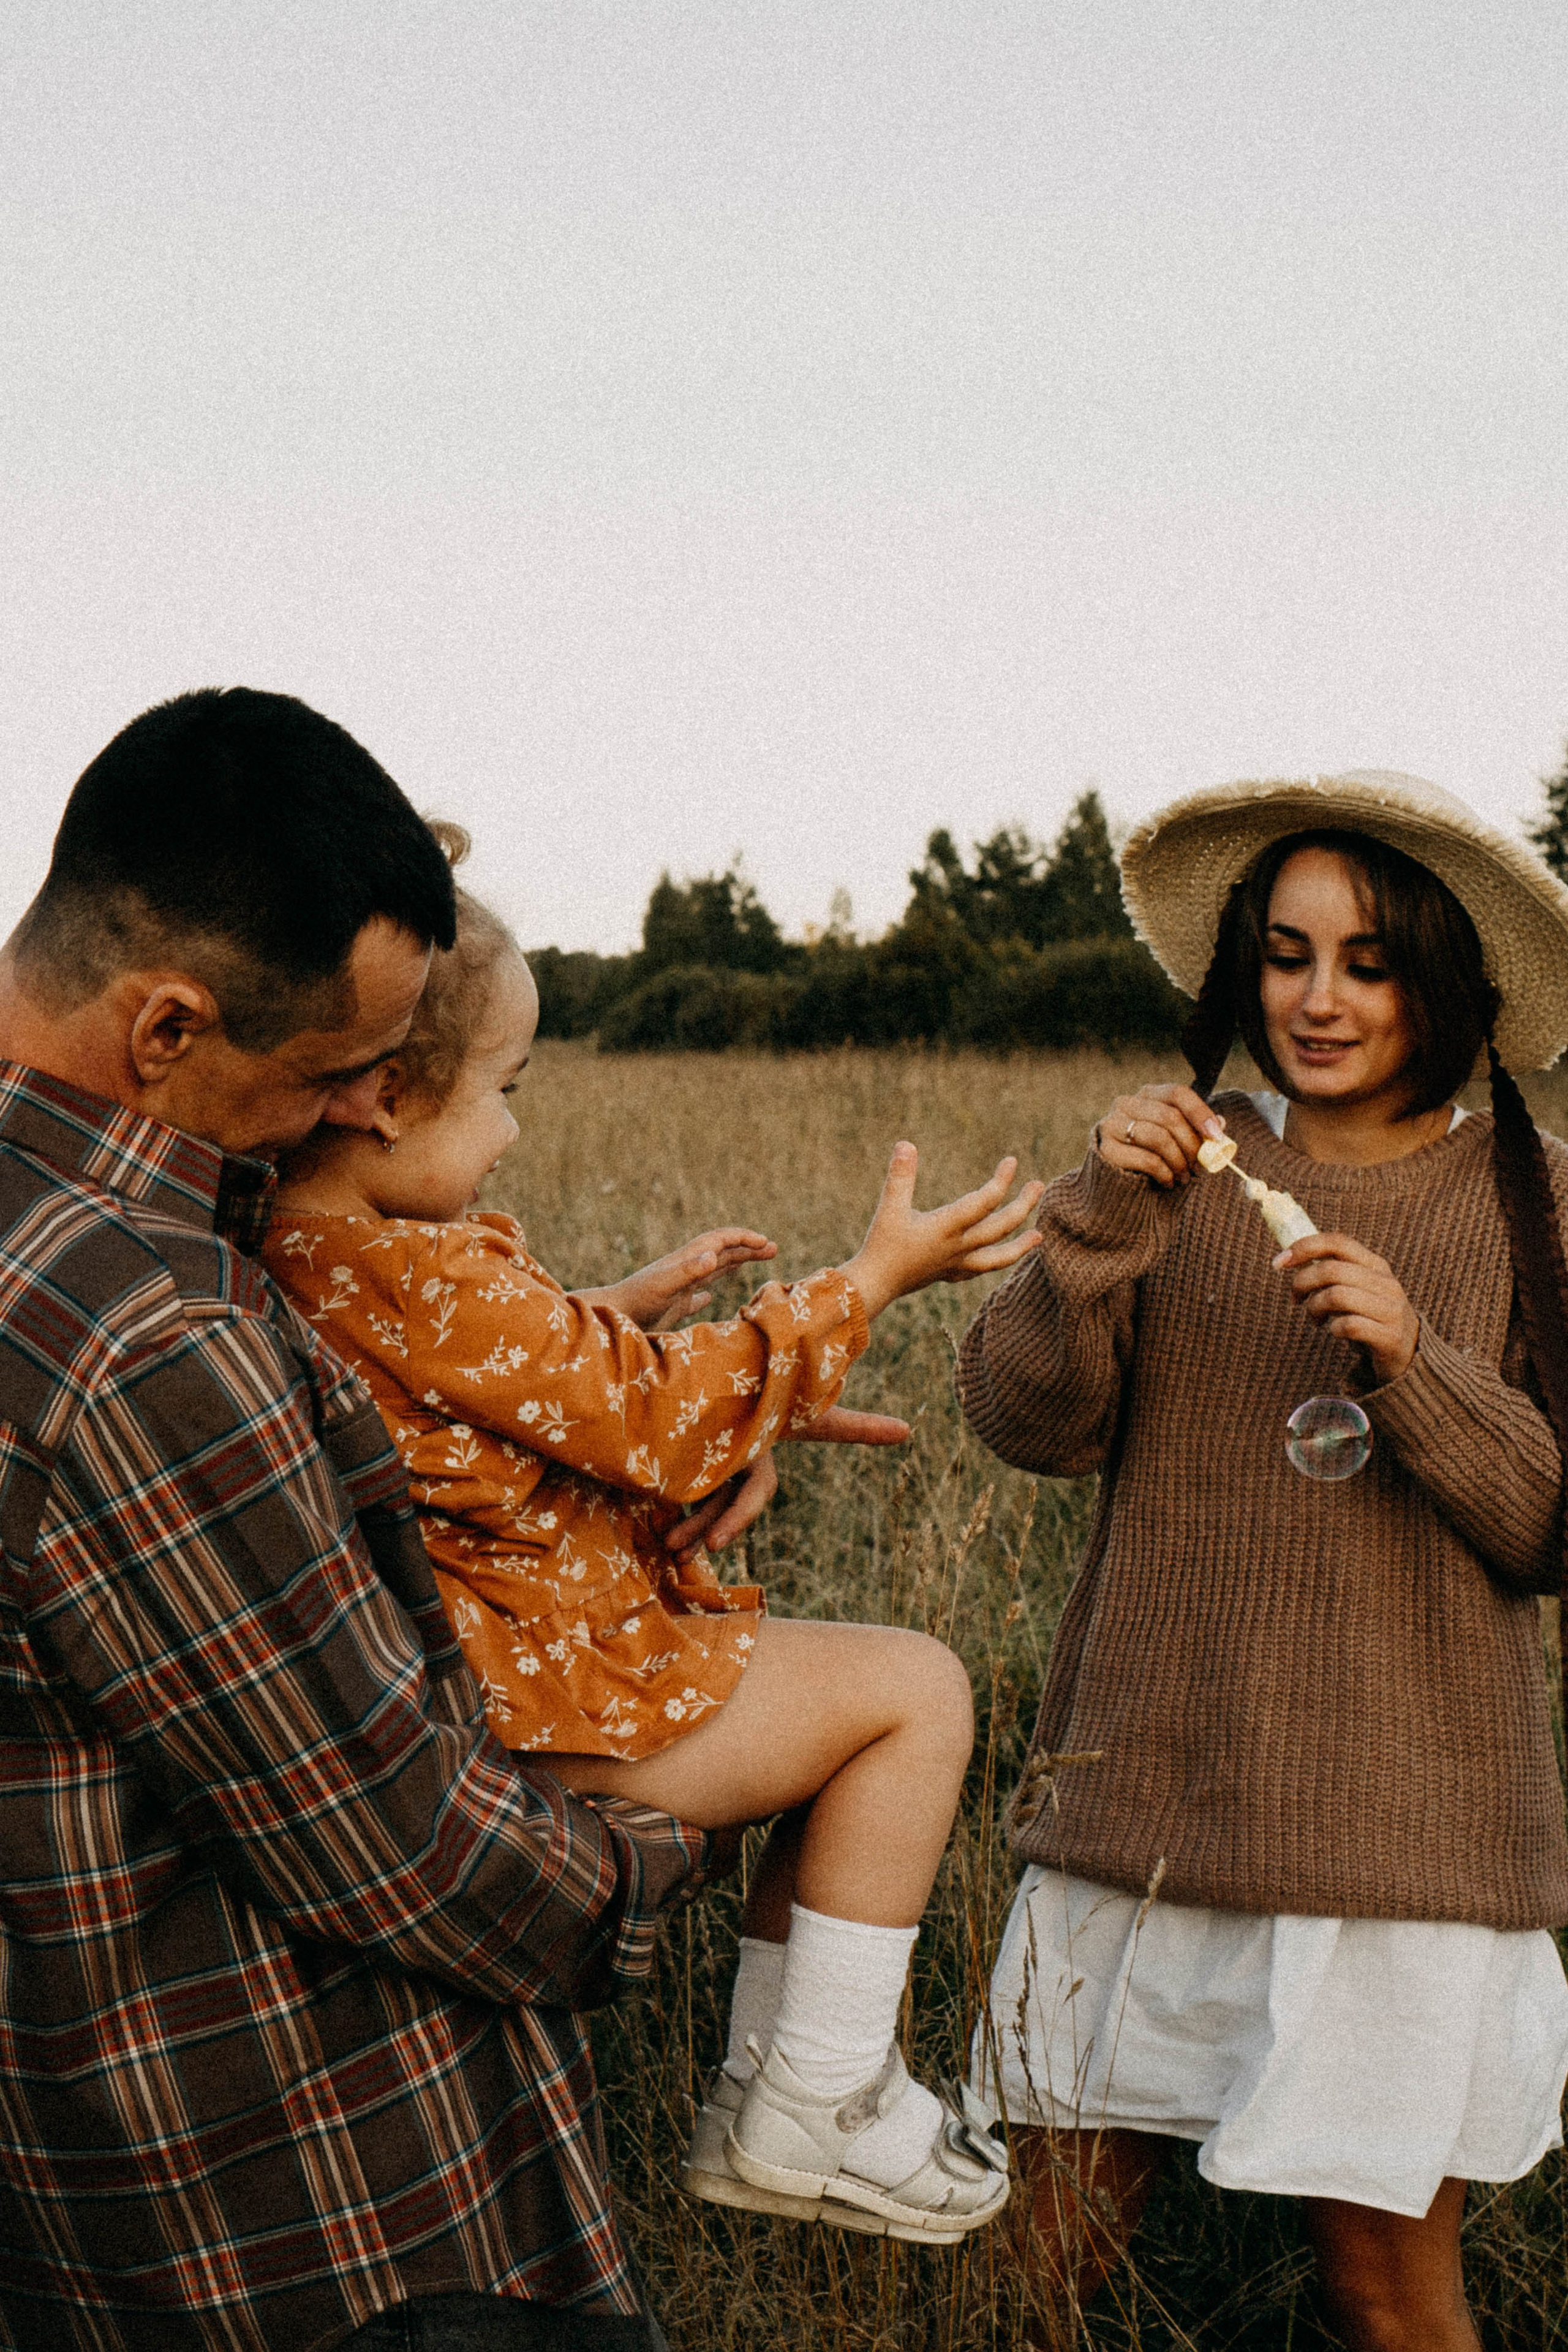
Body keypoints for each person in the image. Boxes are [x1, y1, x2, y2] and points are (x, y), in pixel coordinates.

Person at [0, 688, 715, 2352]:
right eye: (329, 1071)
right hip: (319, 2224)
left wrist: (582, 1387)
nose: (348, 1115)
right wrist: (666, 1852)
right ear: (166, 1029)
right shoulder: (145, 1331)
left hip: (85, 2212)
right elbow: (390, 1837)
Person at [263, 832, 1038, 2248]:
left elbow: (463, 1384)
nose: (511, 1131)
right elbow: (667, 1426)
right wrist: (874, 1278)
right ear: (381, 1095)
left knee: (852, 1704)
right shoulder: (423, 1274)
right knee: (914, 1692)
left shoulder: (308, 1249)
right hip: (554, 1707)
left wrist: (605, 1313)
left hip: (486, 1685)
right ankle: (816, 2098)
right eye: (505, 1093)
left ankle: (782, 2095)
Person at [958, 771, 1568, 2351]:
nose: (1315, 999)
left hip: (1400, 1842)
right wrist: (1094, 1217)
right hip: (1148, 1808)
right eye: (1283, 955)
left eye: (1365, 962)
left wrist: (1414, 1363)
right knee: (1045, 2262)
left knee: (1382, 2290)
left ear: (1447, 983)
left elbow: (1547, 1528)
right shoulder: (1181, 1164)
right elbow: (1022, 1418)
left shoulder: (1534, 1194)